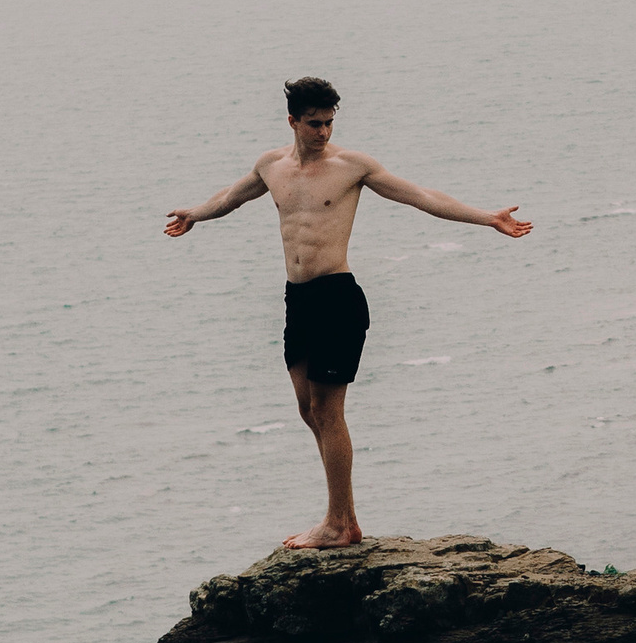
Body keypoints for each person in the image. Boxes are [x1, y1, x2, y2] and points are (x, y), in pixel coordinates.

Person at [164, 78, 532, 549]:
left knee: (327, 410)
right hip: (296, 300)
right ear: (293, 121)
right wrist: (195, 213)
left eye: (330, 123)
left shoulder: (352, 167)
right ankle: (342, 518)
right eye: (314, 123)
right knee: (307, 409)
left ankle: (340, 522)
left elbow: (421, 195)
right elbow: (231, 196)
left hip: (337, 298)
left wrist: (487, 217)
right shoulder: (270, 166)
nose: (323, 132)